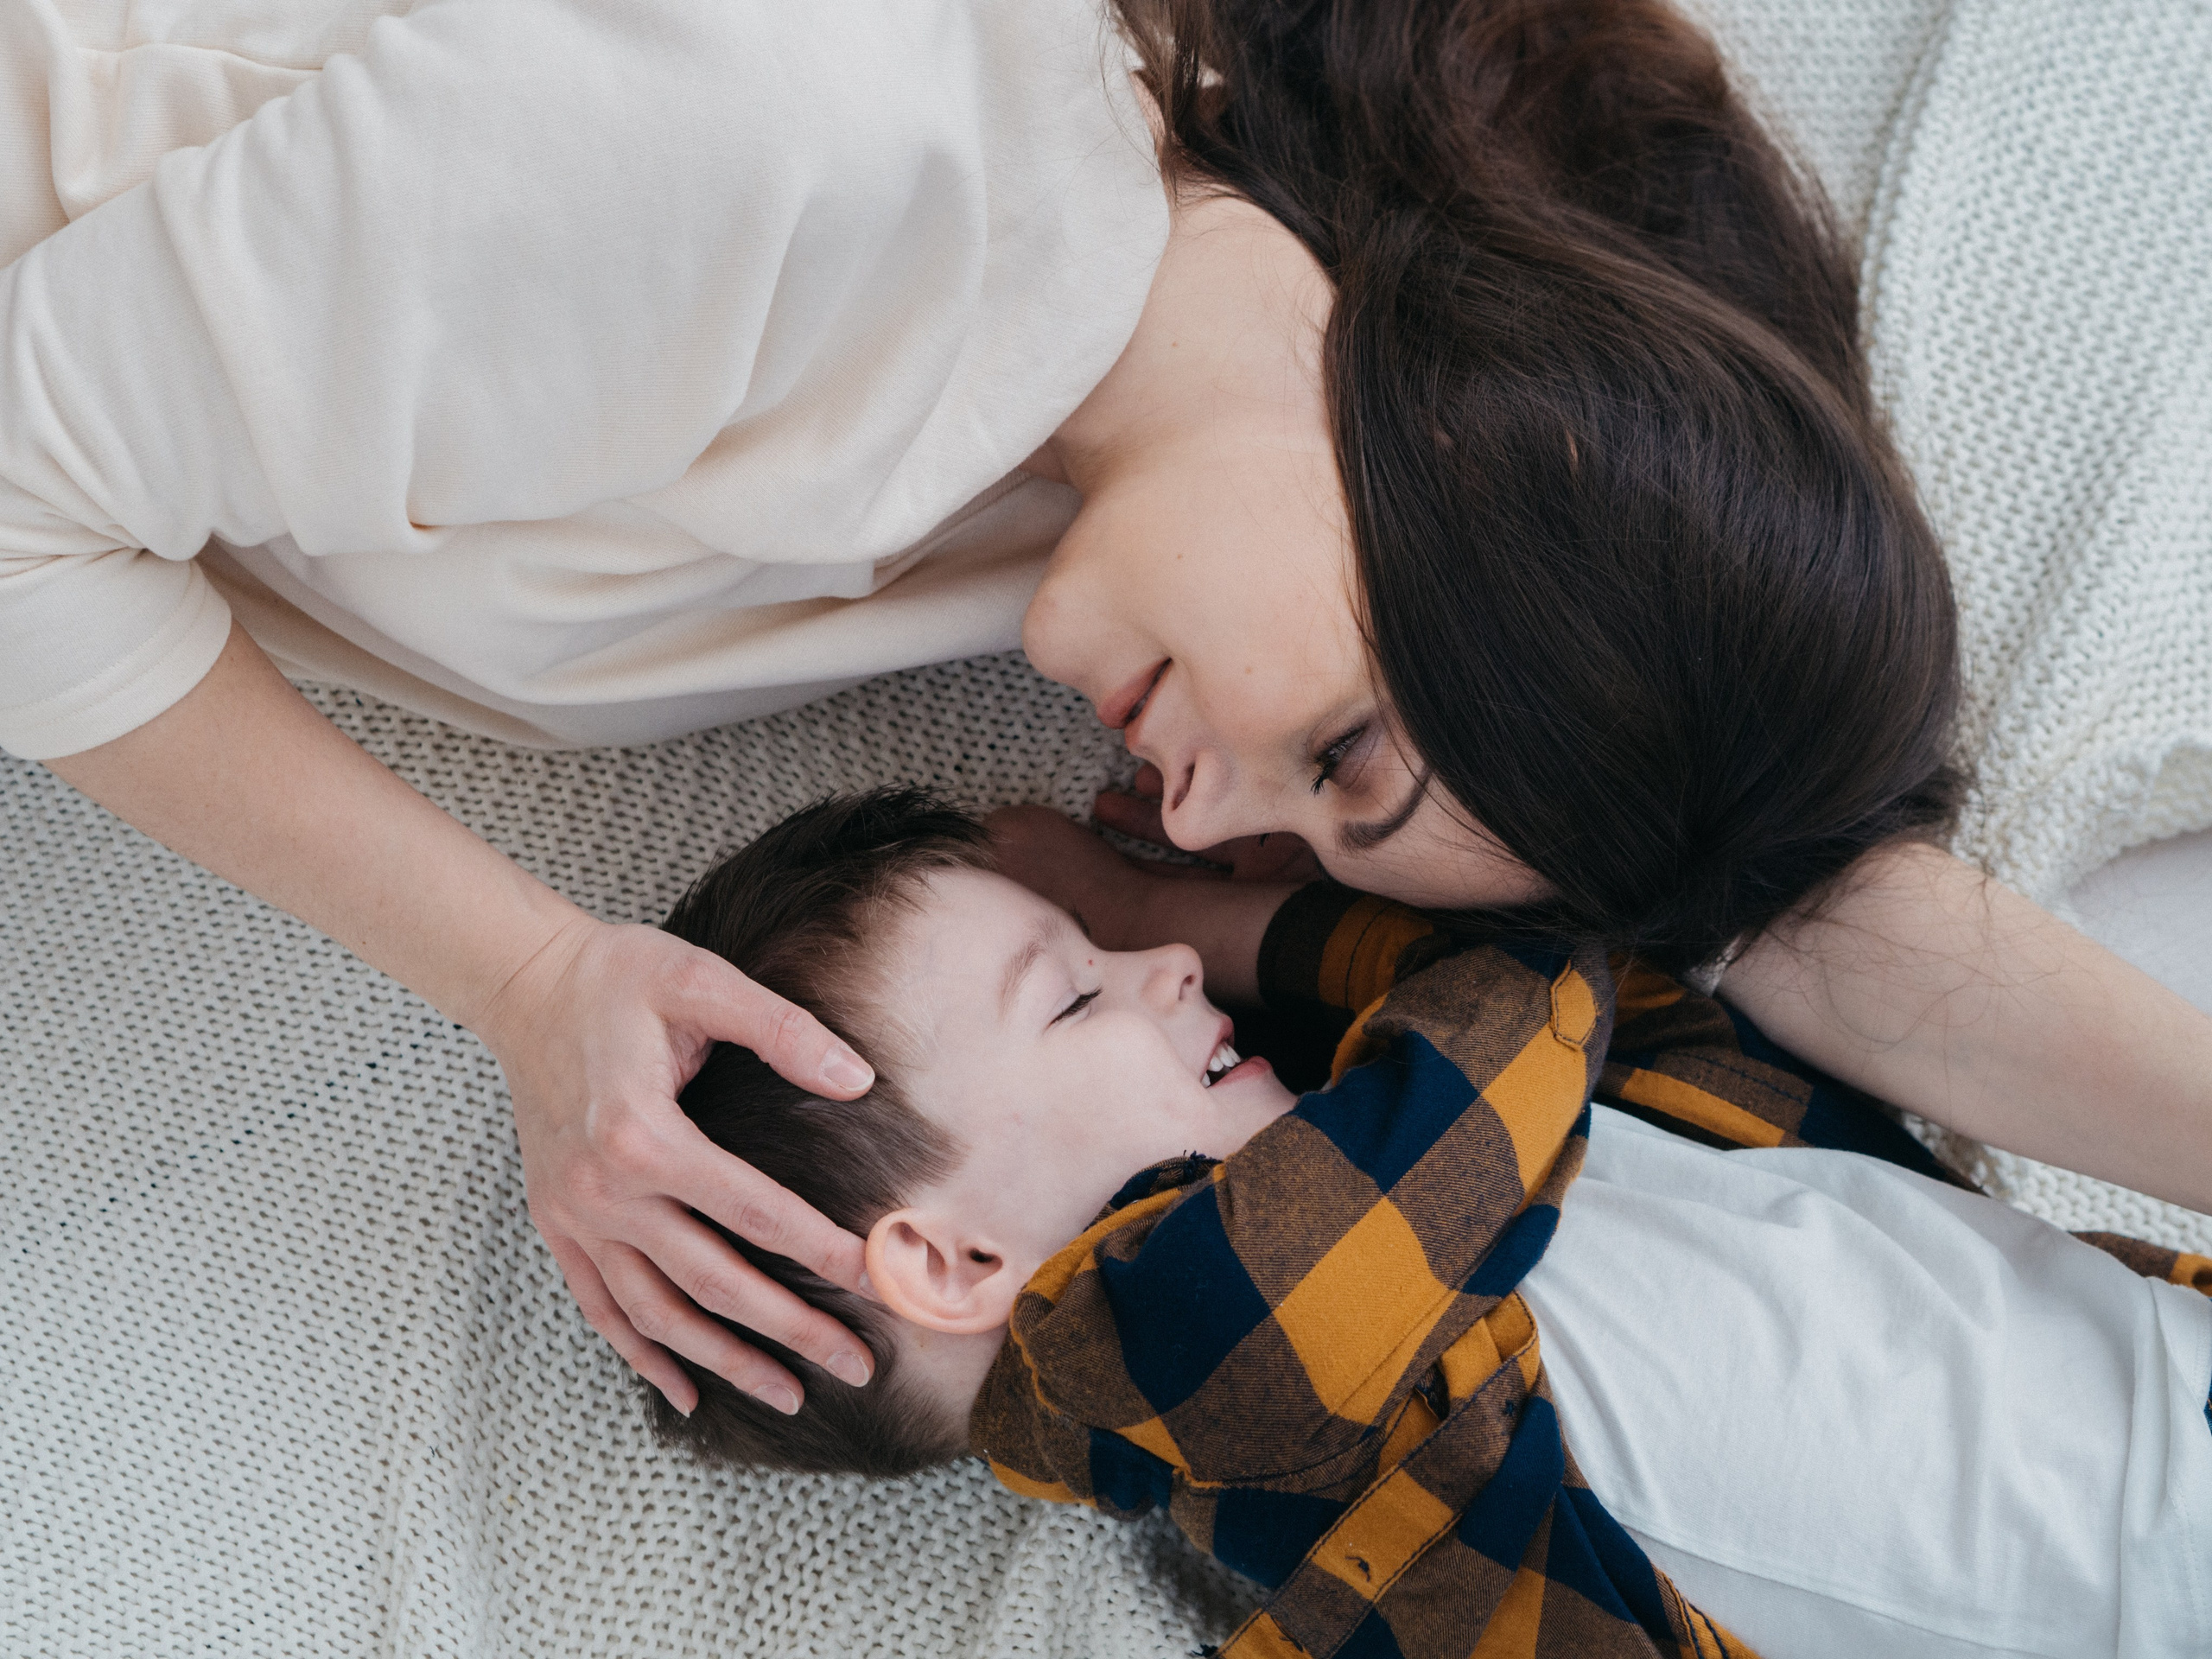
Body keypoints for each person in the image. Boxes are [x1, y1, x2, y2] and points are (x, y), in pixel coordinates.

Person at [5, 0, 2208, 1428]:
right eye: (1338, 757)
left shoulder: (1117, 485)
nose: (1190, 811)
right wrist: (526, 973)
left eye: (1305, 830)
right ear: (1473, 459)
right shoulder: (810, 142)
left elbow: (1784, 916)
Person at [643, 789, 2212, 1659]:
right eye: (1074, 991)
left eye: (1112, 954)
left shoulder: (1397, 1192)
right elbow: (1533, 986)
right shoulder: (1208, 1348)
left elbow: (1633, 1014)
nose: (1166, 978)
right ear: (953, 1260)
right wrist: (1170, 911)